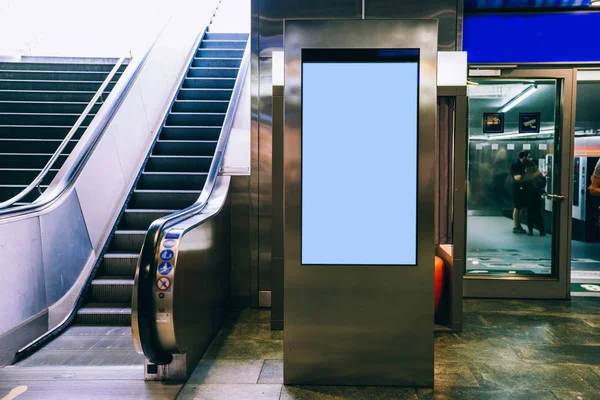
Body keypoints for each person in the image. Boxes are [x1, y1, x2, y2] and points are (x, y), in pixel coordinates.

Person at [523, 160, 547, 236]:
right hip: (536, 197)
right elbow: (542, 185)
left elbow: (524, 186)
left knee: (529, 214)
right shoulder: (539, 175)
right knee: (538, 214)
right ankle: (542, 231)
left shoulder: (527, 176)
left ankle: (530, 231)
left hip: (529, 196)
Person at [511, 150, 531, 233]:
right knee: (517, 207)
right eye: (528, 157)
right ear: (524, 157)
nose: (529, 158)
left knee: (522, 207)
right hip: (517, 188)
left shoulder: (524, 164)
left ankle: (519, 224)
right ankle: (516, 226)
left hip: (523, 188)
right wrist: (528, 176)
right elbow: (517, 178)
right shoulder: (516, 165)